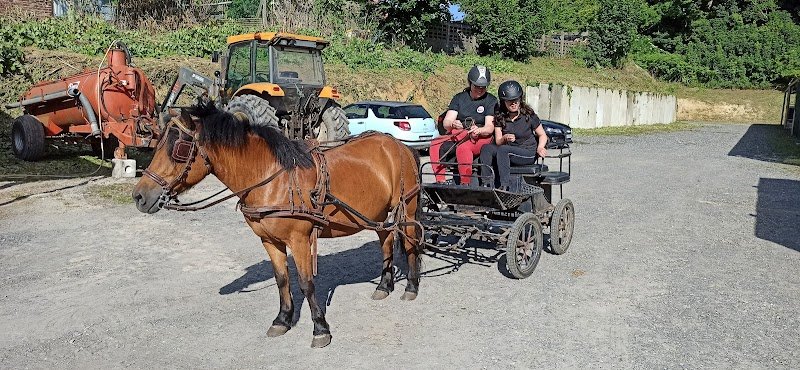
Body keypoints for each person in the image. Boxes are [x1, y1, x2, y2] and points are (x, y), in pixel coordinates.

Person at [429, 65, 498, 185]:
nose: (480, 90)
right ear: (470, 83)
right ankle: (440, 181)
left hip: (480, 136)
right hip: (460, 133)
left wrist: (479, 130)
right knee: (435, 143)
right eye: (477, 86)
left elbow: (489, 127)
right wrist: (452, 123)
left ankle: (465, 183)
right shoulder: (459, 98)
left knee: (464, 147)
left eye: (483, 87)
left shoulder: (490, 100)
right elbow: (446, 122)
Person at [479, 80, 548, 190]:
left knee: (504, 150)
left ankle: (505, 186)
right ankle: (486, 184)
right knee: (486, 148)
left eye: (516, 100)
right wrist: (504, 138)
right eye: (509, 101)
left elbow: (542, 135)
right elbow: (498, 141)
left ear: (520, 99)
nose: (513, 104)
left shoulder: (529, 115)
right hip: (509, 150)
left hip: (527, 152)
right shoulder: (500, 117)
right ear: (504, 102)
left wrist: (540, 147)